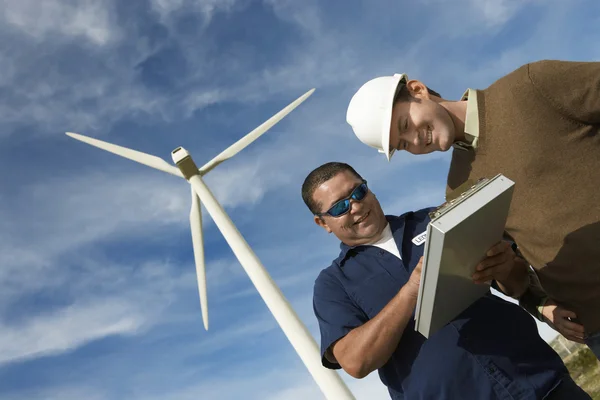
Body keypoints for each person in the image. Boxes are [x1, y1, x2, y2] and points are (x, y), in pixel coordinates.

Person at [345, 60, 600, 358]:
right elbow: (507, 267)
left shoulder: (531, 86)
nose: (414, 141)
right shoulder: (458, 190)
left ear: (418, 90)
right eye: (402, 144)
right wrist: (541, 304)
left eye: (405, 125)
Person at [302, 161, 590, 399]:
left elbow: (517, 284)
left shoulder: (437, 219)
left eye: (359, 192)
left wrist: (505, 266)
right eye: (340, 207)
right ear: (323, 223)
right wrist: (412, 290)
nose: (355, 206)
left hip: (539, 382)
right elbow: (355, 361)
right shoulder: (332, 284)